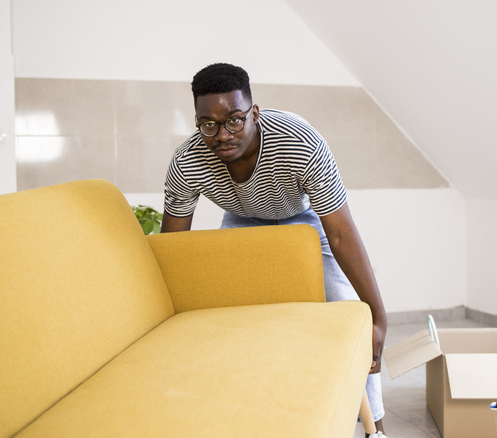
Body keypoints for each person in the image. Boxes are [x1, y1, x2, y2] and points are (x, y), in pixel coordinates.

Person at [162, 63, 388, 436]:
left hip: (303, 221)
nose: (222, 135)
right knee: (240, 324)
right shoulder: (187, 161)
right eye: (209, 125)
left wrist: (377, 318)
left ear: (253, 113)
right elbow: (173, 247)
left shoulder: (301, 142)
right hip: (241, 223)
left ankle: (375, 427)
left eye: (234, 120)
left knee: (350, 318)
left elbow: (343, 235)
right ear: (198, 121)